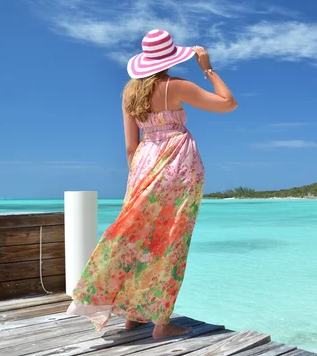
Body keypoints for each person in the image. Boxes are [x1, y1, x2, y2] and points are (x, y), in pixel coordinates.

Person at [67, 29, 238, 339]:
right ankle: (161, 323)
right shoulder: (177, 86)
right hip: (177, 168)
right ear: (170, 58)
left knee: (140, 241)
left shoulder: (130, 93)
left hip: (143, 168)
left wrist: (136, 183)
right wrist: (208, 68)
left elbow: (130, 147)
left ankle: (133, 316)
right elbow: (228, 103)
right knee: (171, 241)